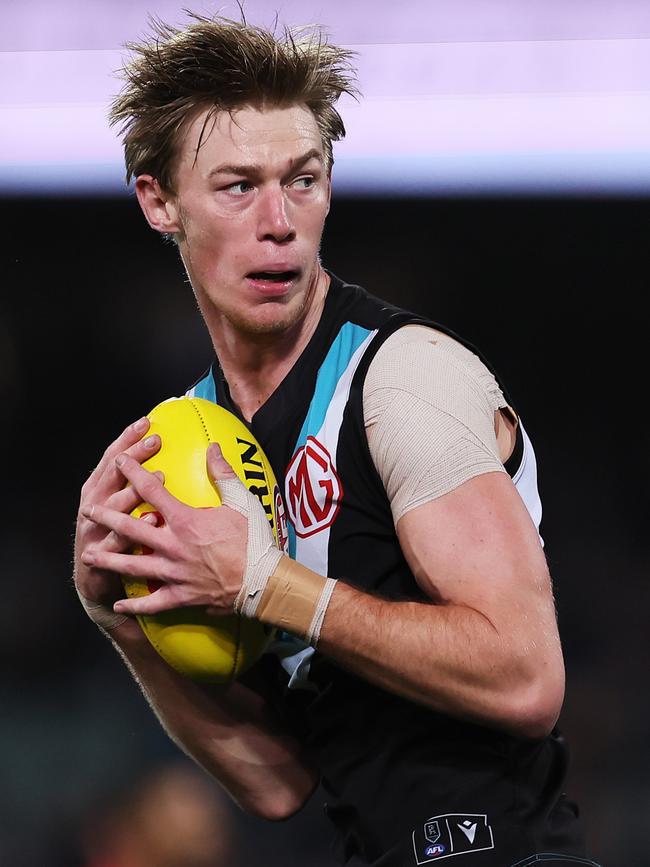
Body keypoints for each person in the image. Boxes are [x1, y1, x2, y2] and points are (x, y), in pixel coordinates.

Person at [73, 13, 601, 867]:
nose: (279, 220)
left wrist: (263, 585)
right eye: (238, 186)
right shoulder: (200, 433)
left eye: (304, 180)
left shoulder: (402, 377)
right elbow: (279, 781)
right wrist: (119, 618)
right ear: (159, 201)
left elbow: (528, 679)